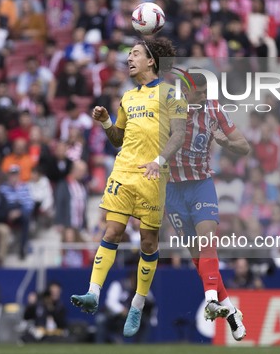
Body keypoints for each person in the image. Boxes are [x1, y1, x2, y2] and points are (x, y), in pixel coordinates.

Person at [70, 37, 187, 338]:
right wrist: (107, 122)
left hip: (153, 175)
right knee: (112, 231)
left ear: (151, 61)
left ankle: (137, 303)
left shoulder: (170, 93)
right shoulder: (127, 98)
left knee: (148, 242)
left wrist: (159, 160)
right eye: (129, 54)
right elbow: (118, 139)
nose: (129, 58)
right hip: (123, 171)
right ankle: (93, 293)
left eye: (135, 54)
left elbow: (179, 135)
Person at [165, 70, 250, 341]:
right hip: (173, 189)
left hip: (201, 184)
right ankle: (231, 310)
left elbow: (244, 146)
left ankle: (211, 299)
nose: (202, 98)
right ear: (185, 91)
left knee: (207, 242)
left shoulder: (214, 109)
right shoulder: (169, 108)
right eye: (198, 93)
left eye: (205, 93)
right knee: (198, 259)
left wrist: (226, 142)